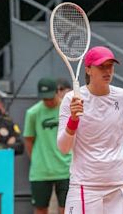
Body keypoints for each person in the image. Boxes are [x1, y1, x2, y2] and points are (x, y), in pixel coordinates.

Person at [57, 46, 123, 214]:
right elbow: (63, 148)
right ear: (88, 70)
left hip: (119, 184)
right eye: (101, 66)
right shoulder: (70, 100)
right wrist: (73, 119)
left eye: (110, 66)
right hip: (85, 186)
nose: (107, 70)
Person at [23, 78, 71, 214]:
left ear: (57, 92)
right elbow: (28, 139)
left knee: (66, 209)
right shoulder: (33, 113)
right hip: (41, 171)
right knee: (40, 209)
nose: (48, 101)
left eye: (50, 97)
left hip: (66, 168)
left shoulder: (67, 109)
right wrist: (37, 160)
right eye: (44, 98)